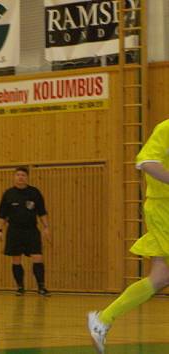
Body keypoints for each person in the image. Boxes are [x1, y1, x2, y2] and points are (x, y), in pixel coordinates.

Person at [88, 119, 169, 354]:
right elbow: (146, 162)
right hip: (163, 210)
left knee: (160, 278)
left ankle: (103, 319)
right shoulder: (166, 129)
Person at [0, 166, 51, 296]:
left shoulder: (34, 193)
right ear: (14, 177)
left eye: (23, 175)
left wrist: (46, 227)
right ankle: (20, 287)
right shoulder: (8, 194)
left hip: (31, 231)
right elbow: (1, 215)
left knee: (37, 257)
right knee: (16, 259)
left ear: (27, 178)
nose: (20, 177)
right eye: (18, 175)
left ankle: (41, 287)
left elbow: (42, 212)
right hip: (14, 231)